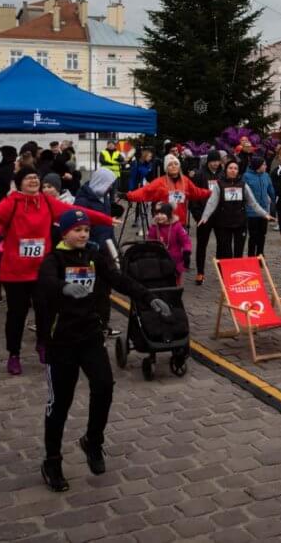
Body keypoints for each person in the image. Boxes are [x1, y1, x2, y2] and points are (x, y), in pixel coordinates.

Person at [35, 209, 171, 491]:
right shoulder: (54, 259)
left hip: (90, 336)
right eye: (77, 230)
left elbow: (120, 280)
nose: (83, 234)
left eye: (86, 230)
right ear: (65, 232)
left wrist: (148, 298)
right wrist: (63, 288)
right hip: (61, 342)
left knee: (104, 386)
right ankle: (52, 461)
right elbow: (45, 282)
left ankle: (93, 441)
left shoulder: (95, 257)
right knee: (59, 404)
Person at [0, 166, 113, 375]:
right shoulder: (12, 203)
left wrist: (106, 219)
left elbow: (76, 214)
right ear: (19, 182)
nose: (33, 181)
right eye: (28, 178)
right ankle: (14, 354)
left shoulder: (47, 202)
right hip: (16, 272)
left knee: (46, 312)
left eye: (36, 177)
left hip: (43, 271)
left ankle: (43, 344)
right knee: (16, 315)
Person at [199, 160, 273, 264]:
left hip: (240, 223)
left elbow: (253, 203)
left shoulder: (243, 185)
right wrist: (205, 216)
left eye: (235, 168)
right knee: (227, 253)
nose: (233, 170)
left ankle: (238, 272)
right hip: (224, 223)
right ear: (226, 170)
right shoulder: (219, 184)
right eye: (230, 168)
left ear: (238, 171)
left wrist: (265, 214)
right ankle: (227, 272)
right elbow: (212, 202)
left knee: (239, 253)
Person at [190, 151, 225, 282]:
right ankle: (200, 272)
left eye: (217, 161)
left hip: (220, 215)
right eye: (213, 161)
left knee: (222, 244)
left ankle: (222, 271)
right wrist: (197, 215)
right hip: (204, 215)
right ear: (208, 162)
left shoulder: (223, 174)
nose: (215, 164)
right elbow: (193, 196)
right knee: (202, 244)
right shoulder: (200, 175)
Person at [242, 156, 276, 257]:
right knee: (253, 236)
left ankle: (260, 255)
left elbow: (271, 190)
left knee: (262, 235)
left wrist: (274, 200)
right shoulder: (246, 176)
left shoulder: (266, 175)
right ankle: (251, 256)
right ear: (258, 166)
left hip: (264, 211)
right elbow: (244, 193)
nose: (266, 166)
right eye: (263, 164)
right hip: (251, 211)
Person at [148, 203, 191, 282]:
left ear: (169, 214)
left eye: (162, 213)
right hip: (159, 260)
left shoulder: (177, 226)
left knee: (175, 282)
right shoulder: (154, 227)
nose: (159, 216)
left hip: (175, 261)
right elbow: (150, 242)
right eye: (157, 213)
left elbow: (186, 241)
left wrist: (187, 252)